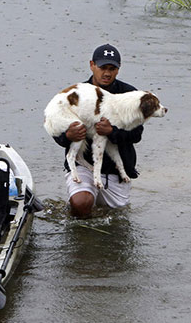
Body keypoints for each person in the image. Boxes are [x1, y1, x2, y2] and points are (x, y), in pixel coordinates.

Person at [53, 44, 144, 217]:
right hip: (84, 166)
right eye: (102, 68)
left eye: (112, 68)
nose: (107, 73)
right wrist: (68, 136)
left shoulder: (130, 94)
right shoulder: (76, 93)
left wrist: (112, 131)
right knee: (81, 204)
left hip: (117, 171)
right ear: (92, 65)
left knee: (116, 222)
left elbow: (137, 134)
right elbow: (56, 128)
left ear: (118, 69)